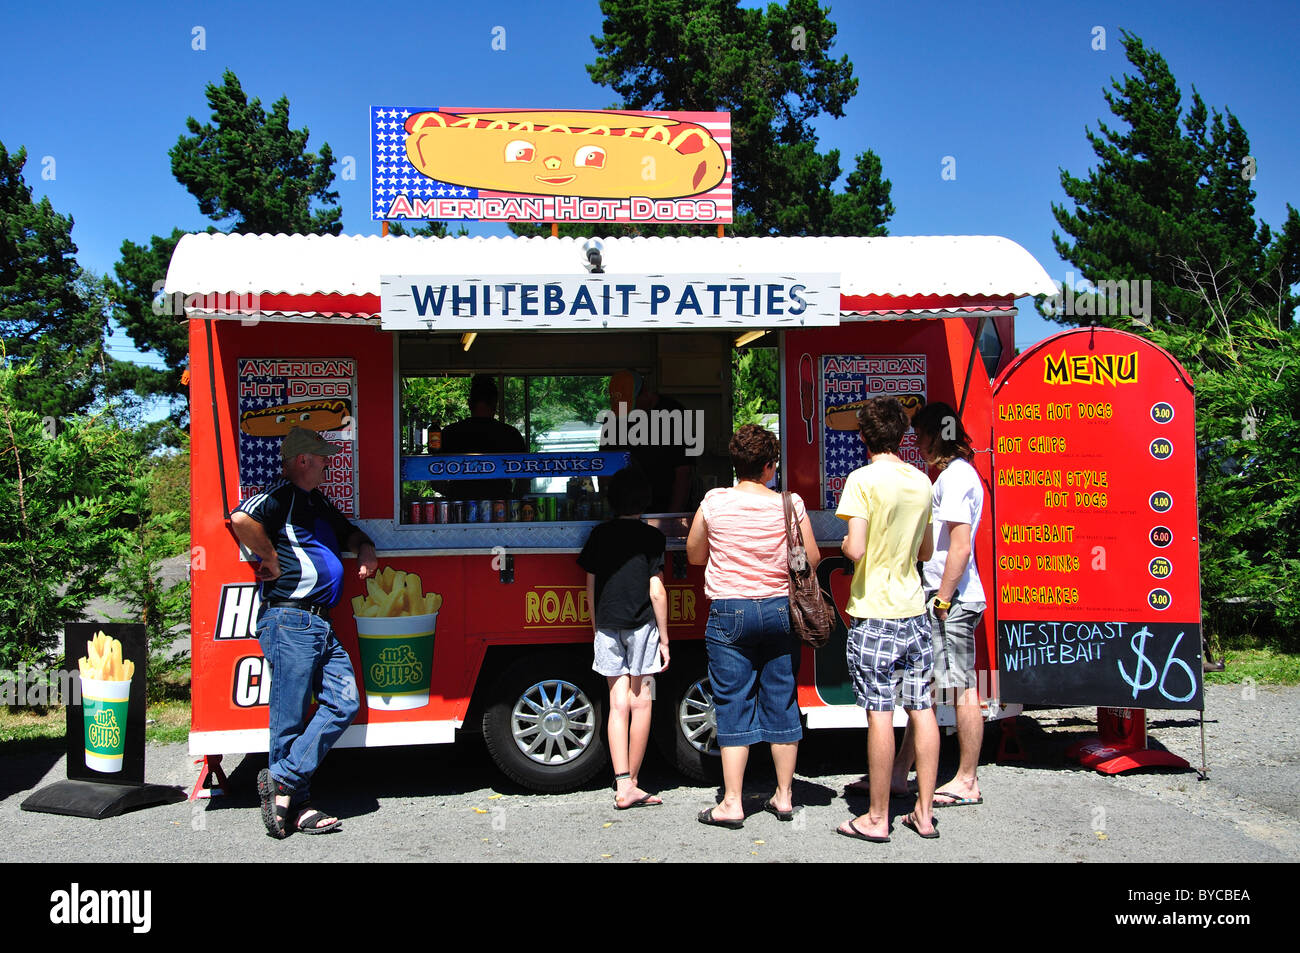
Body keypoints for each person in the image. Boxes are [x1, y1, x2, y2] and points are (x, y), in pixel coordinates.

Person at [230, 427, 379, 838]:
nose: (329, 464)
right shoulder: (284, 495)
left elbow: (350, 531)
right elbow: (241, 518)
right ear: (302, 461)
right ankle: (297, 807)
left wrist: (365, 548)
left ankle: (283, 780)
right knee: (289, 720)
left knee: (344, 701)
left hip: (319, 623)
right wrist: (271, 557)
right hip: (290, 619)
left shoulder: (317, 501)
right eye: (323, 458)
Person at [687, 424, 819, 828]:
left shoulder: (714, 502)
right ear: (769, 466)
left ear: (735, 463)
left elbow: (694, 554)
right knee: (781, 698)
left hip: (730, 612)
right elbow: (810, 558)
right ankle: (783, 795)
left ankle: (731, 802)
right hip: (780, 610)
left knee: (732, 703)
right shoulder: (789, 504)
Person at [834, 397, 937, 842]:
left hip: (874, 613)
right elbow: (927, 552)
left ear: (863, 436)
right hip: (915, 609)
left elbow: (855, 549)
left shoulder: (861, 480)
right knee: (923, 710)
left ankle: (877, 818)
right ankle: (925, 813)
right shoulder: (921, 481)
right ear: (903, 435)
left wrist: (845, 544)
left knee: (880, 714)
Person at [888, 401, 987, 808]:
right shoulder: (949, 476)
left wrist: (943, 598)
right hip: (945, 596)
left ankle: (967, 779)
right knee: (923, 691)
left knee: (962, 689)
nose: (917, 444)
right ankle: (898, 774)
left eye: (921, 436)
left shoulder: (956, 478)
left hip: (954, 599)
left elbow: (960, 547)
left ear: (937, 435)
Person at [577, 466, 670, 810]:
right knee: (641, 701)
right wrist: (665, 639)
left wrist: (594, 625)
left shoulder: (599, 534)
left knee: (617, 705)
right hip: (643, 626)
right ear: (644, 502)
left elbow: (590, 585)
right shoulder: (652, 537)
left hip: (606, 625)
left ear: (611, 501)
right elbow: (656, 591)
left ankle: (620, 782)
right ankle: (633, 782)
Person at [604, 369, 694, 512]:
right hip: (625, 512)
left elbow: (684, 471)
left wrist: (672, 518)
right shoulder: (615, 417)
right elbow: (604, 466)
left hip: (666, 507)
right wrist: (608, 509)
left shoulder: (675, 414)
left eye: (630, 406)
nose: (626, 413)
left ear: (646, 393)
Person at [439, 374, 526, 500]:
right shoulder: (510, 434)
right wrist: (510, 503)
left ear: (469, 403)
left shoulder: (450, 433)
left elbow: (435, 478)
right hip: (500, 509)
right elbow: (524, 479)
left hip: (460, 510)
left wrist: (455, 496)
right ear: (495, 403)